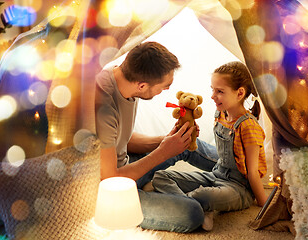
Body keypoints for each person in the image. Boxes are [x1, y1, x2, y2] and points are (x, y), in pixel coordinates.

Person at [95, 41, 217, 232]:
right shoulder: (103, 104)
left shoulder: (123, 77)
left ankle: (238, 172)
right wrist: (162, 153)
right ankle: (151, 188)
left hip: (125, 166)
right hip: (108, 191)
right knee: (191, 213)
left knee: (185, 141)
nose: (167, 90)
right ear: (142, 85)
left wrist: (165, 142)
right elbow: (110, 177)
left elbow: (120, 140)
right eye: (164, 86)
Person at [152, 61, 268, 231]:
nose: (213, 96)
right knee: (160, 176)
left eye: (219, 91)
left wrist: (264, 204)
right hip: (216, 173)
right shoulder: (220, 113)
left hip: (238, 188)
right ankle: (194, 206)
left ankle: (194, 205)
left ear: (240, 93)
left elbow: (252, 172)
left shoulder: (249, 126)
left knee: (202, 194)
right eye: (212, 89)